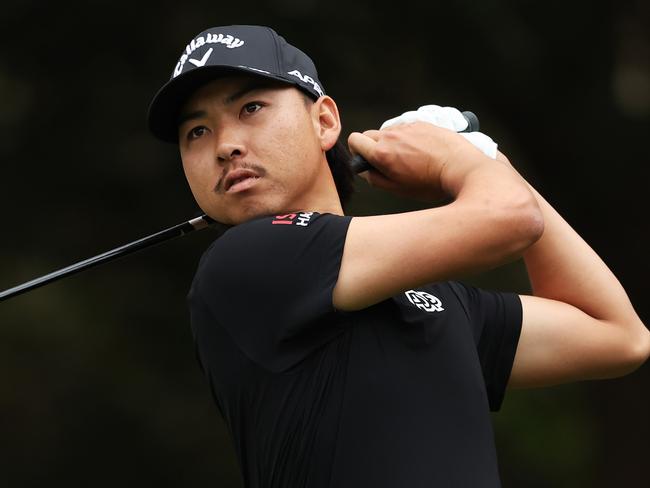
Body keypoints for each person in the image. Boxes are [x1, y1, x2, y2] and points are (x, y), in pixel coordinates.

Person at [147, 25, 649, 487]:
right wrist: (462, 160)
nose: (225, 145)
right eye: (197, 132)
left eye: (251, 108)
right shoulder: (246, 262)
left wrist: (491, 161)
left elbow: (617, 335)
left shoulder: (428, 297)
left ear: (324, 122)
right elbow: (511, 220)